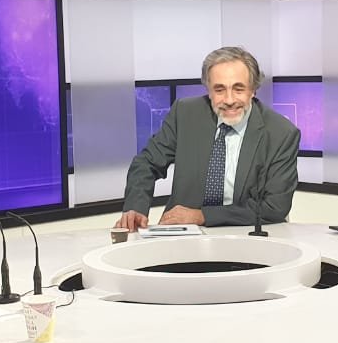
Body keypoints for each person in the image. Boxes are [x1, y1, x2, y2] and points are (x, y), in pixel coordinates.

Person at [115, 46, 301, 231]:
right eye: (219, 90)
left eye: (238, 89)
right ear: (208, 90)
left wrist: (202, 216)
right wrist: (135, 208)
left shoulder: (281, 133)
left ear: (253, 90)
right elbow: (146, 163)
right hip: (184, 235)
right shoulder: (185, 113)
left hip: (245, 233)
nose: (229, 100)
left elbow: (275, 208)